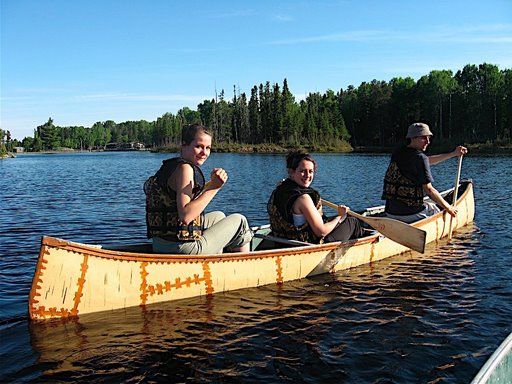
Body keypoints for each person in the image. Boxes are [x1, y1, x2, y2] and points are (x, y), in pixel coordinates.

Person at [144, 123, 253, 254]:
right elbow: (185, 215)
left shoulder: (172, 166)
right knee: (240, 222)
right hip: (180, 249)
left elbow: (181, 199)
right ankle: (239, 268)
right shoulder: (185, 169)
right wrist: (214, 187)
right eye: (198, 146)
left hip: (161, 244)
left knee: (218, 217)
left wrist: (210, 184)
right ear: (184, 144)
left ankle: (214, 264)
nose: (204, 153)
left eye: (208, 148)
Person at [267, 150, 365, 244]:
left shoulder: (279, 190)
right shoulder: (303, 198)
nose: (307, 175)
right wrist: (341, 216)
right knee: (353, 222)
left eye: (311, 171)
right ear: (291, 172)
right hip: (306, 244)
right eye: (303, 171)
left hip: (283, 241)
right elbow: (321, 232)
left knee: (334, 220)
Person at [382, 122, 468, 223]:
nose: (427, 142)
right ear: (413, 138)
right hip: (411, 215)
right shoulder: (419, 158)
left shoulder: (399, 153)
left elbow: (427, 161)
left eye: (428, 138)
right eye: (423, 138)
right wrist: (449, 208)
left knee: (429, 204)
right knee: (436, 209)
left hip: (390, 213)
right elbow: (429, 190)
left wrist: (453, 154)